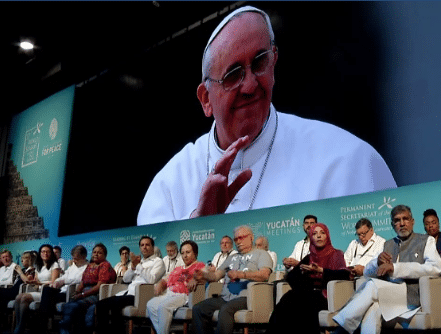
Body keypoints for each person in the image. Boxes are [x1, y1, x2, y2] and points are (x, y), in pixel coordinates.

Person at [136, 5, 397, 226]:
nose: (249, 86)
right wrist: (199, 226)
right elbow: (147, 282)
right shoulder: (169, 187)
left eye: (259, 62)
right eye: (233, 74)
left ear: (274, 61)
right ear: (206, 99)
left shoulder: (348, 160)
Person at [332, 205, 441, 334]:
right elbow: (367, 273)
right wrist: (377, 262)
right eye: (397, 220)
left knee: (373, 285)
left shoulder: (425, 241)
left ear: (412, 222)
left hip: (410, 296)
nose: (401, 223)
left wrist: (395, 268)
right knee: (373, 308)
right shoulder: (387, 244)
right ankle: (346, 323)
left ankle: (342, 326)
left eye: (405, 219)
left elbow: (434, 268)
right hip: (387, 296)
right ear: (392, 225)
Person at [267, 223, 351, 334]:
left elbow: (344, 275)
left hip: (326, 296)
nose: (319, 236)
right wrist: (302, 272)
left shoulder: (336, 254)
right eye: (315, 234)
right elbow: (291, 278)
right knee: (287, 299)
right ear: (311, 237)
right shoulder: (309, 257)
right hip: (307, 293)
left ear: (327, 236)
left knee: (305, 304)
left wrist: (321, 271)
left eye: (322, 233)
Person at [192, 225, 272, 334]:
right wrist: (203, 275)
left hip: (246, 297)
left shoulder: (261, 254)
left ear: (251, 238)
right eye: (236, 239)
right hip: (225, 297)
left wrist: (241, 274)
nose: (238, 241)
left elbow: (264, 274)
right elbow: (215, 276)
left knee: (225, 309)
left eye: (241, 238)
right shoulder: (231, 258)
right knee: (198, 308)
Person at [93, 236, 165, 334]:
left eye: (147, 245)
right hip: (128, 293)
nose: (144, 247)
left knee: (115, 305)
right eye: (142, 245)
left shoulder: (158, 261)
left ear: (152, 247)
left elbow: (152, 279)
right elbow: (126, 279)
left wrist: (138, 266)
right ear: (139, 248)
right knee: (100, 304)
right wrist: (133, 267)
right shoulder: (138, 262)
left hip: (141, 296)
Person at [147, 240, 206, 334]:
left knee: (163, 307)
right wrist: (161, 284)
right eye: (182, 253)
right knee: (151, 304)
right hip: (169, 293)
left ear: (195, 253)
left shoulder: (200, 265)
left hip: (183, 295)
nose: (185, 256)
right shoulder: (178, 268)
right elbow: (166, 279)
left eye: (188, 252)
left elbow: (206, 275)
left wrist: (196, 279)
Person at [59, 243, 117, 334]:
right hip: (85, 292)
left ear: (105, 255)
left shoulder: (105, 265)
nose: (96, 254)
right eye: (94, 252)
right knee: (69, 305)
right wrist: (77, 292)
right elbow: (83, 282)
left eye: (99, 253)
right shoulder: (90, 265)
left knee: (73, 306)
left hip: (98, 294)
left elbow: (99, 287)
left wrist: (82, 295)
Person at [14, 244, 61, 334]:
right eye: (43, 251)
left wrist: (38, 283)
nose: (45, 253)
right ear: (40, 253)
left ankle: (21, 326)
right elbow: (36, 282)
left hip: (47, 293)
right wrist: (32, 281)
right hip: (38, 290)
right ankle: (18, 323)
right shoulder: (38, 266)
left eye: (48, 251)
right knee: (18, 297)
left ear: (51, 253)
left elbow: (53, 282)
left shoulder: (55, 265)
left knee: (24, 298)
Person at [38, 245, 89, 326]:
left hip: (71, 293)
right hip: (62, 290)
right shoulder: (73, 266)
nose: (73, 260)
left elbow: (79, 279)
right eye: (73, 258)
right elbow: (65, 276)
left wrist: (64, 281)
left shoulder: (87, 267)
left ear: (84, 256)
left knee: (47, 300)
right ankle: (44, 322)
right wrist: (57, 281)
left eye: (76, 258)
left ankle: (44, 323)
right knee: (47, 290)